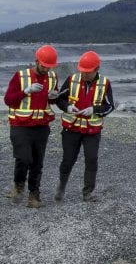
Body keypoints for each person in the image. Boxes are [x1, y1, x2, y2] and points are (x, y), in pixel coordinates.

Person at [54, 51, 115, 202]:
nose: (84, 74)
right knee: (68, 159)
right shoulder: (72, 79)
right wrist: (67, 107)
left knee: (91, 159)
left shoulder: (105, 83)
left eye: (88, 72)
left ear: (97, 69)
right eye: (82, 71)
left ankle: (88, 192)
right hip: (71, 129)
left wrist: (93, 110)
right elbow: (59, 100)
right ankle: (61, 187)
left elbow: (109, 107)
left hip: (92, 131)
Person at [3, 45, 60, 208]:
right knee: (23, 158)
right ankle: (18, 186)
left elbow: (52, 101)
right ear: (36, 61)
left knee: (37, 162)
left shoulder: (53, 77)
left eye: (49, 67)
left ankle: (33, 196)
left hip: (41, 126)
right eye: (44, 66)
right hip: (20, 125)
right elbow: (8, 100)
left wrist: (53, 97)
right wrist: (26, 91)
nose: (46, 69)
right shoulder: (21, 76)